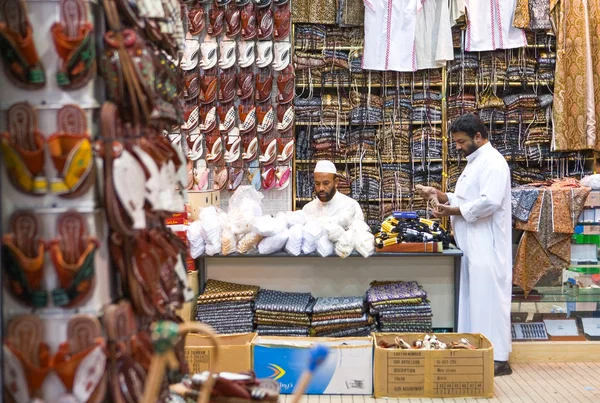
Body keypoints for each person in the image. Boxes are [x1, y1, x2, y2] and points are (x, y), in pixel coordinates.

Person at [416, 113, 513, 377]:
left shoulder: (493, 163)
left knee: (489, 302)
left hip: (487, 246)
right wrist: (439, 195)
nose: (457, 147)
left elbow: (489, 202)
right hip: (473, 245)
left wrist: (453, 211)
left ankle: (497, 358)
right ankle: (475, 352)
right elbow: (466, 197)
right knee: (475, 301)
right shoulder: (475, 162)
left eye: (460, 142)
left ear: (478, 137)